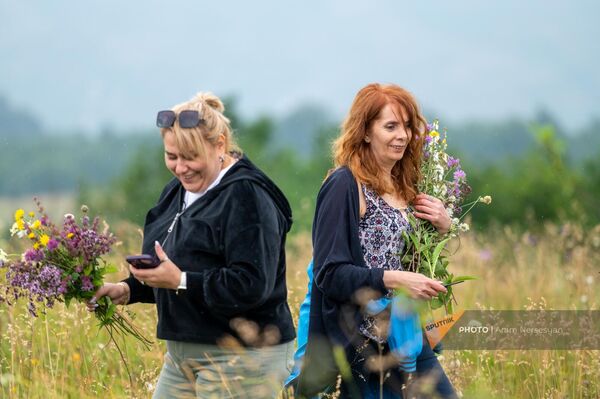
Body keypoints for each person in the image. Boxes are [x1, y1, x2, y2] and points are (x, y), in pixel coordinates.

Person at [87, 92, 296, 398]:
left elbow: (252, 284)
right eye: (172, 156)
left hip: (242, 356)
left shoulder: (247, 195)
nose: (181, 167)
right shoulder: (177, 192)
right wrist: (130, 288)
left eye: (190, 157)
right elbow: (172, 267)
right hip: (182, 356)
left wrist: (181, 281)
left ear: (219, 145)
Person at [293, 83, 457, 398]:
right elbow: (330, 273)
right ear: (366, 132)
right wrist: (394, 279)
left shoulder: (408, 187)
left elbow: (413, 262)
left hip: (406, 331)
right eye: (390, 126)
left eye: (407, 126)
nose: (403, 135)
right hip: (363, 341)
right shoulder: (344, 184)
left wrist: (441, 228)